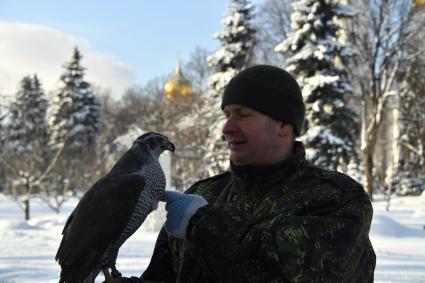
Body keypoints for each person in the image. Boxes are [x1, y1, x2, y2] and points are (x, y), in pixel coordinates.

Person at [119, 65, 376, 283]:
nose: (227, 128)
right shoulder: (203, 194)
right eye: (227, 114)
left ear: (284, 125)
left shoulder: (336, 198)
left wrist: (202, 224)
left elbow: (301, 269)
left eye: (243, 115)